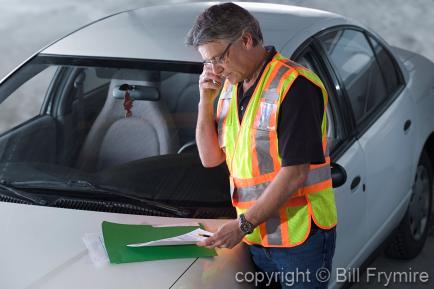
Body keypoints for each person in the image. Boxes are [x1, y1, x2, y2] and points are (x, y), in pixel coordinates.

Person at [186, 3, 338, 288]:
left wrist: (243, 225)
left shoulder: (295, 86)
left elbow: (295, 173)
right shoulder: (230, 86)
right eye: (208, 63)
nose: (215, 69)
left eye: (218, 58)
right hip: (255, 237)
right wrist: (205, 99)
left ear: (246, 39)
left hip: (299, 239)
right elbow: (209, 158)